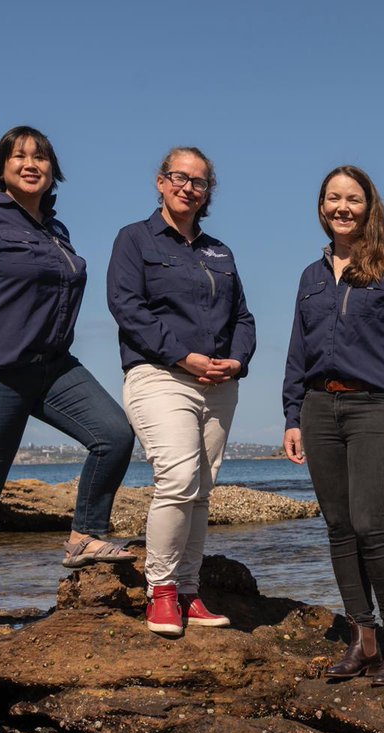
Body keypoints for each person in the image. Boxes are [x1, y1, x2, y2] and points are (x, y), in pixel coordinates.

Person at [0, 126, 136, 640]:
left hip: (53, 367)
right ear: (1, 167)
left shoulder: (55, 231)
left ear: (53, 170)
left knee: (114, 434)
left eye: (40, 157)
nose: (31, 163)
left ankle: (84, 536)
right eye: (19, 156)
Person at [282, 165, 384, 686]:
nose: (342, 207)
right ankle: (362, 638)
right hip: (319, 410)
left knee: (372, 524)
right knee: (339, 527)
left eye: (353, 199)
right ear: (322, 207)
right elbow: (298, 351)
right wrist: (291, 415)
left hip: (375, 408)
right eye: (332, 198)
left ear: (370, 207)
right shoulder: (311, 276)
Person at [108, 147, 256, 637]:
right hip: (159, 375)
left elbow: (242, 317)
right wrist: (182, 357)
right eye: (179, 177)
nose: (187, 187)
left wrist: (237, 360)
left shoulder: (221, 252)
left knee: (201, 491)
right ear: (160, 181)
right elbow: (127, 308)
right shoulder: (134, 239)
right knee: (176, 478)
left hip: (218, 383)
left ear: (207, 191)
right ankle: (162, 592)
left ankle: (190, 592)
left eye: (198, 182)